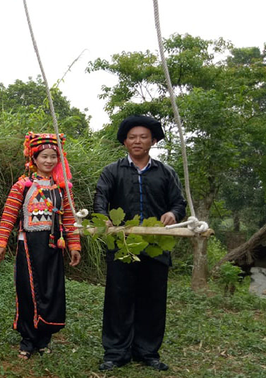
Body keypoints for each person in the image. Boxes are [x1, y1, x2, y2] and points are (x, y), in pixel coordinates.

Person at [94, 115, 186, 371]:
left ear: (153, 140)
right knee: (118, 298)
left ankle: (147, 352)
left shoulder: (166, 173)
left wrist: (173, 214)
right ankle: (115, 352)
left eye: (143, 137)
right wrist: (104, 219)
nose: (137, 141)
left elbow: (179, 203)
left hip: (156, 245)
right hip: (122, 245)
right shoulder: (112, 171)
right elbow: (101, 198)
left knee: (153, 299)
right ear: (125, 142)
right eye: (132, 137)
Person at [0, 132, 81, 359]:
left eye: (53, 156)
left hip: (53, 246)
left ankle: (44, 338)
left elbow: (69, 219)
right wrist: (0, 242)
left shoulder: (62, 187)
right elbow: (9, 215)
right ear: (34, 158)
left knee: (51, 290)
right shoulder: (22, 185)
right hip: (29, 246)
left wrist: (74, 246)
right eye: (44, 156)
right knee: (28, 290)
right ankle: (28, 338)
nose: (49, 161)